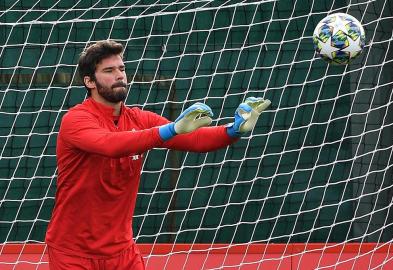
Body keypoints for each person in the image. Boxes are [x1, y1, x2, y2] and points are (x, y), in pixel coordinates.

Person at [45, 40, 270, 270]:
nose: (119, 75)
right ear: (89, 81)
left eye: (121, 69)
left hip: (123, 252)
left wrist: (233, 130)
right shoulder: (76, 119)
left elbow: (195, 138)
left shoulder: (139, 119)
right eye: (109, 71)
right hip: (72, 254)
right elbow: (110, 144)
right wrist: (169, 130)